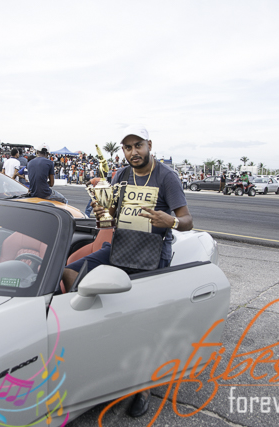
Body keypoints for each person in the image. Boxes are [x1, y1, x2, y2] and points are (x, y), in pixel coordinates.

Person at [61, 124, 192, 418]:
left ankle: (143, 387)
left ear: (149, 145)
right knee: (70, 273)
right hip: (120, 247)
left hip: (152, 251)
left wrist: (169, 221)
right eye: (128, 147)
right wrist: (102, 214)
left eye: (138, 145)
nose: (133, 152)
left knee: (145, 319)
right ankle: (98, 345)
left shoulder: (166, 177)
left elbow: (187, 221)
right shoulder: (120, 175)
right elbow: (110, 214)